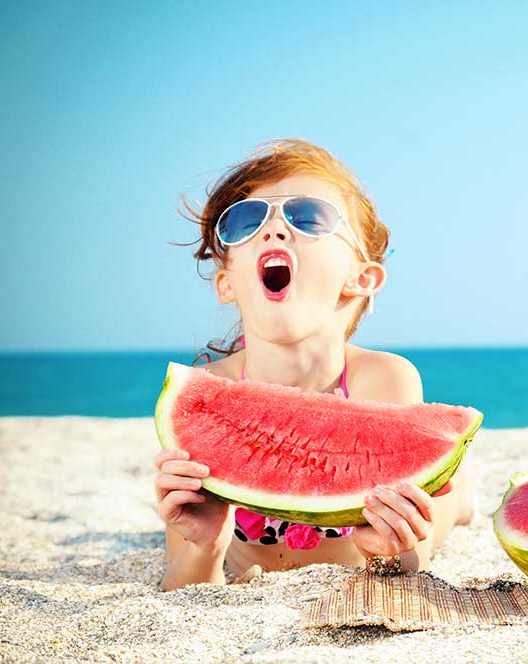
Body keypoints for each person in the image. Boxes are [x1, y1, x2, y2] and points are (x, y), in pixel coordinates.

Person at [154, 139, 475, 591]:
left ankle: (460, 497)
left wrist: (397, 548)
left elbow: (406, 563)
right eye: (245, 221)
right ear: (226, 283)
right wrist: (205, 546)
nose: (275, 230)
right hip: (242, 562)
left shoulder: (383, 379)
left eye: (308, 217)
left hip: (358, 555)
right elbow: (182, 583)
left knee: (442, 504)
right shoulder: (203, 396)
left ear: (361, 278)